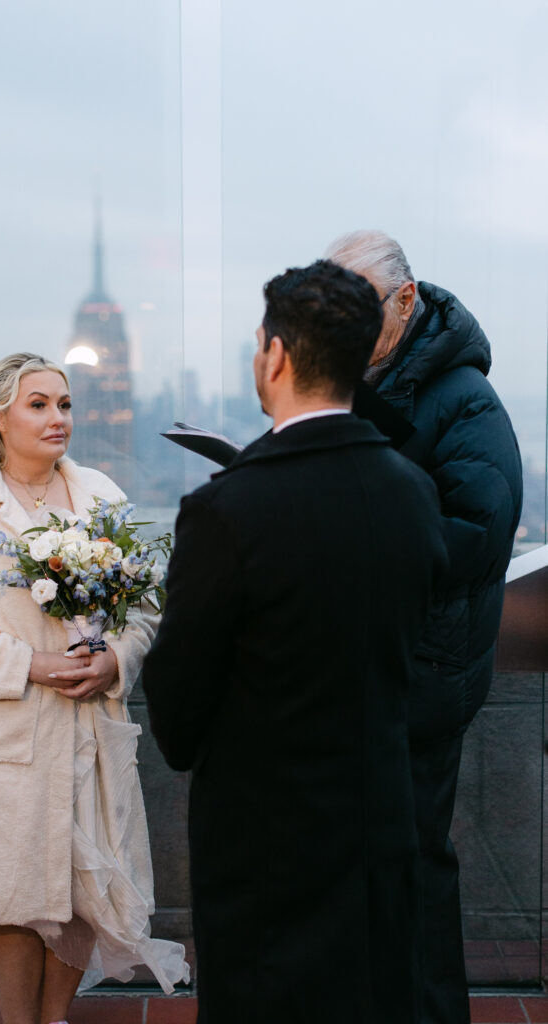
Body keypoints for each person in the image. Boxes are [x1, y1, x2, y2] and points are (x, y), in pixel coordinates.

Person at [143, 260, 448, 1024]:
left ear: (275, 356)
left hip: (264, 846)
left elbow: (176, 711)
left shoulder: (228, 508)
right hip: (380, 822)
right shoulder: (412, 493)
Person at [0, 353, 188, 1024]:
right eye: (37, 404)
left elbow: (146, 606)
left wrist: (115, 658)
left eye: (63, 404)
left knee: (86, 889)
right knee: (13, 896)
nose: (57, 418)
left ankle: (54, 1018)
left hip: (88, 727)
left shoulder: (101, 497)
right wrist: (26, 663)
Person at [325, 230, 523, 1024]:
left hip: (422, 671)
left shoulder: (462, 397)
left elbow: (480, 533)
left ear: (404, 302)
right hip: (368, 664)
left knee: (411, 862)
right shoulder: (361, 381)